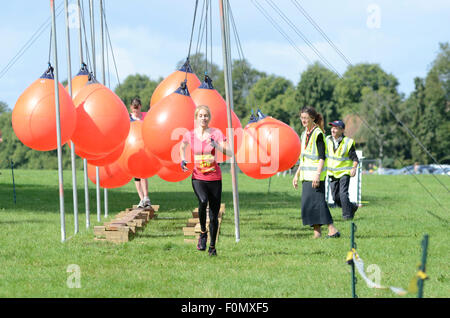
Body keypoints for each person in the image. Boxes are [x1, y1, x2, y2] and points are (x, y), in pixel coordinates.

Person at [180, 105, 232, 256]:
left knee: (214, 216)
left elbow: (229, 151)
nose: (203, 118)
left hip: (215, 178)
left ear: (209, 118)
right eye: (201, 115)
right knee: (203, 201)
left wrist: (216, 145)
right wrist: (183, 160)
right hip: (198, 177)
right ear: (196, 118)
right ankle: (203, 232)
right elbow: (182, 147)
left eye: (206, 115)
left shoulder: (216, 133)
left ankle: (212, 247)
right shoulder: (190, 135)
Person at [292, 106, 340, 239]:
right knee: (309, 204)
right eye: (302, 118)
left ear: (312, 119)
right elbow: (304, 158)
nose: (303, 120)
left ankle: (332, 230)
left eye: (306, 118)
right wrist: (296, 175)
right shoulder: (303, 134)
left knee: (319, 203)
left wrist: (317, 175)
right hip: (306, 176)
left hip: (316, 176)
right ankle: (317, 232)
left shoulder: (318, 134)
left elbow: (322, 157)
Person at [326, 120, 359, 220]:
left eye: (336, 128)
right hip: (332, 173)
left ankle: (347, 216)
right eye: (332, 127)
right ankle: (352, 207)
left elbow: (355, 158)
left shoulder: (348, 142)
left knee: (343, 194)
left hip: (344, 172)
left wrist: (354, 168)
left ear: (342, 130)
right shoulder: (327, 139)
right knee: (335, 198)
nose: (333, 130)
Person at [129, 98, 152, 209]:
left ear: (140, 107)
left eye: (137, 108)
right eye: (134, 109)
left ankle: (146, 197)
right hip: (132, 149)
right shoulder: (128, 118)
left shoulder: (145, 116)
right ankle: (141, 198)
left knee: (144, 172)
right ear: (131, 108)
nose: (136, 111)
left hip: (144, 148)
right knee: (136, 175)